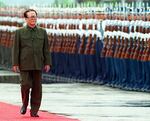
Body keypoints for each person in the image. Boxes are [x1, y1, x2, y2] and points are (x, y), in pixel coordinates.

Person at [12, 9, 51, 117]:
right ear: (26, 19)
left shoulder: (42, 32)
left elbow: (46, 49)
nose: (33, 19)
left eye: (34, 16)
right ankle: (24, 103)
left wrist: (48, 62)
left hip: (38, 63)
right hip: (24, 63)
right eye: (31, 17)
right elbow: (16, 49)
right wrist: (15, 63)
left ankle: (34, 110)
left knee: (37, 88)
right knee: (25, 84)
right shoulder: (19, 32)